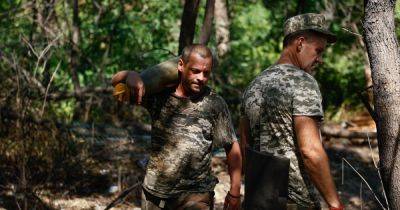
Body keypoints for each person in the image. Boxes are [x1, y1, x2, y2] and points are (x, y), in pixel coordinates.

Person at [112, 44, 242, 210]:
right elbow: (115, 84)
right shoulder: (158, 97)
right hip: (155, 195)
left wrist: (235, 192)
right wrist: (130, 75)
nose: (201, 77)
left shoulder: (214, 104)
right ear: (181, 65)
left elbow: (232, 146)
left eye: (206, 73)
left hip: (196, 195)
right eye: (195, 71)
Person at [240, 13, 344, 210]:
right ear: (300, 43)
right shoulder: (303, 83)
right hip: (293, 201)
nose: (320, 59)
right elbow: (310, 150)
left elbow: (245, 145)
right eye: (318, 51)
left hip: (257, 199)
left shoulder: (254, 84)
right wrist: (334, 203)